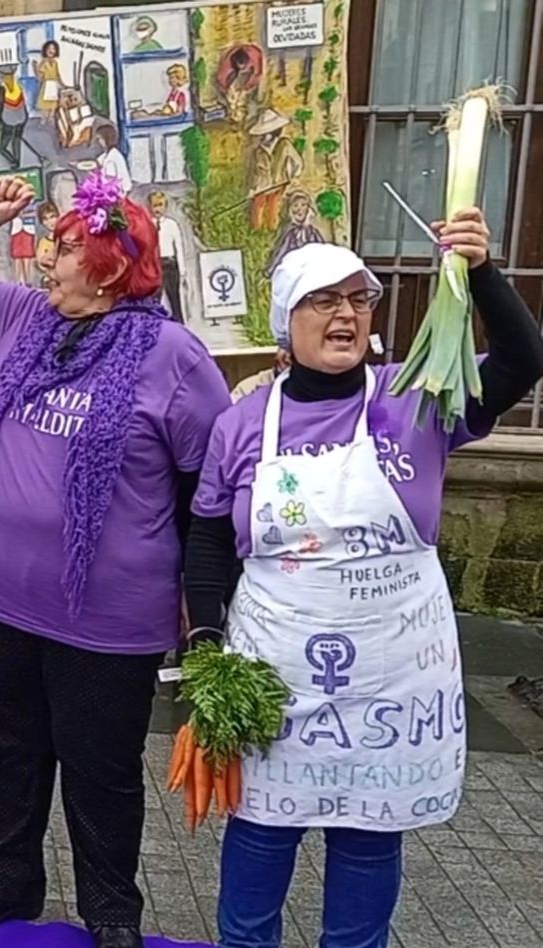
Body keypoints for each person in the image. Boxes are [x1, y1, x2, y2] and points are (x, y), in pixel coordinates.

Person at [183, 219, 543, 948]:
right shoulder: (242, 424)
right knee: (263, 827)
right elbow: (208, 539)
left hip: (392, 680)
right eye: (323, 301)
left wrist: (477, 272)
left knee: (369, 833)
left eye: (359, 298)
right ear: (287, 321)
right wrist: (205, 643)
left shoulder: (420, 400)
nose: (345, 314)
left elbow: (524, 359)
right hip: (274, 673)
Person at [0, 173, 230, 948]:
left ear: (113, 266)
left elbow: (206, 492)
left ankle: (112, 910)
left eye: (64, 247)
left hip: (106, 617)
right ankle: (9, 880)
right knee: (10, 749)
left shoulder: (177, 359)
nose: (47, 259)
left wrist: (203, 610)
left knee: (101, 769)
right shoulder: (19, 318)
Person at [265, 190, 326, 277]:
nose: (299, 209)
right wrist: (271, 270)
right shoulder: (291, 234)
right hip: (295, 272)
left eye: (303, 205)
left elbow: (323, 251)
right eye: (295, 205)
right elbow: (281, 252)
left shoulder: (313, 232)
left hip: (312, 270)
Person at [149, 191, 186, 321]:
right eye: (155, 206)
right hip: (155, 265)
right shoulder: (148, 225)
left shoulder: (171, 224)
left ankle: (180, 324)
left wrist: (182, 270)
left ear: (165, 206)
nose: (158, 209)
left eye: (160, 205)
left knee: (175, 298)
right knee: (155, 299)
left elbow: (178, 247)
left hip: (170, 264)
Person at [0, 72, 29, 170]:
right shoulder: (18, 86)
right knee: (16, 140)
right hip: (21, 117)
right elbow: (24, 103)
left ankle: (12, 161)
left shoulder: (2, 88)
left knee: (2, 148)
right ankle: (17, 162)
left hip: (8, 119)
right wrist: (25, 116)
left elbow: (0, 104)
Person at [35, 41, 63, 117]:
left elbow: (57, 75)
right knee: (45, 105)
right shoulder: (43, 63)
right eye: (49, 48)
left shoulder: (55, 63)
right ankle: (43, 121)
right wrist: (35, 68)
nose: (51, 50)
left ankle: (51, 119)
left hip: (54, 85)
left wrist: (62, 85)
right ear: (45, 50)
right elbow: (39, 76)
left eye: (53, 48)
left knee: (53, 104)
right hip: (46, 85)